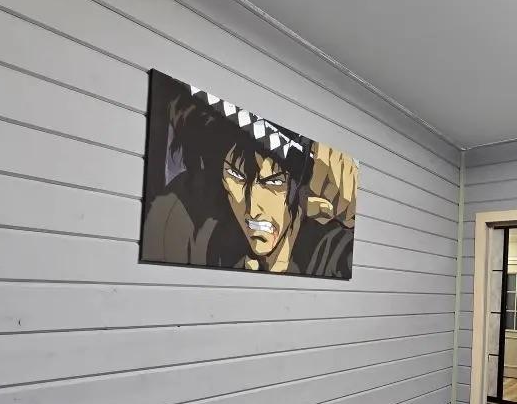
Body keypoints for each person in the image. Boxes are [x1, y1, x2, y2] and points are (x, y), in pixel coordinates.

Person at [141, 75, 357, 278]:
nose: (253, 209)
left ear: (299, 187)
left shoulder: (334, 250)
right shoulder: (182, 216)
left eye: (273, 181)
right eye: (235, 175)